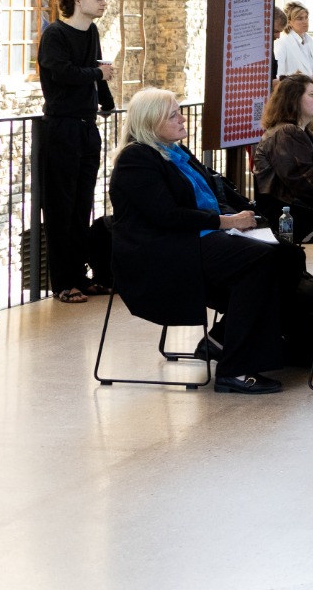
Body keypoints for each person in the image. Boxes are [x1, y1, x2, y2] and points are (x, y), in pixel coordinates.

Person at [107, 89, 282, 393]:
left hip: (196, 236)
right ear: (150, 123)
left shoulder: (176, 152)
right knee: (260, 258)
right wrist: (227, 222)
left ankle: (225, 341)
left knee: (283, 254)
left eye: (179, 112)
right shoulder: (136, 158)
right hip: (164, 250)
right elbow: (167, 215)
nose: (182, 119)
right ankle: (234, 368)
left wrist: (236, 218)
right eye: (173, 115)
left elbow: (209, 196)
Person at [36, 0, 116, 303]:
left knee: (82, 205)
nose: (103, 3)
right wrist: (98, 75)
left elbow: (98, 68)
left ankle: (80, 277)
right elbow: (63, 73)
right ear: (78, 0)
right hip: (61, 128)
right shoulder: (55, 34)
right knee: (61, 207)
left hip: (86, 127)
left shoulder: (91, 31)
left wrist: (107, 101)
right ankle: (63, 283)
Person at [252, 74, 313, 243]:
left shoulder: (296, 132)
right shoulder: (287, 133)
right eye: (311, 94)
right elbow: (306, 184)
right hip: (295, 220)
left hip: (302, 214)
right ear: (294, 100)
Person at [273, 2, 313, 82]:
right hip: (292, 89)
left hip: (309, 87)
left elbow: (311, 72)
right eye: (300, 18)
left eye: (306, 17)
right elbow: (279, 76)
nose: (305, 21)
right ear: (289, 22)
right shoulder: (282, 42)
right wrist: (295, 77)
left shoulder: (309, 40)